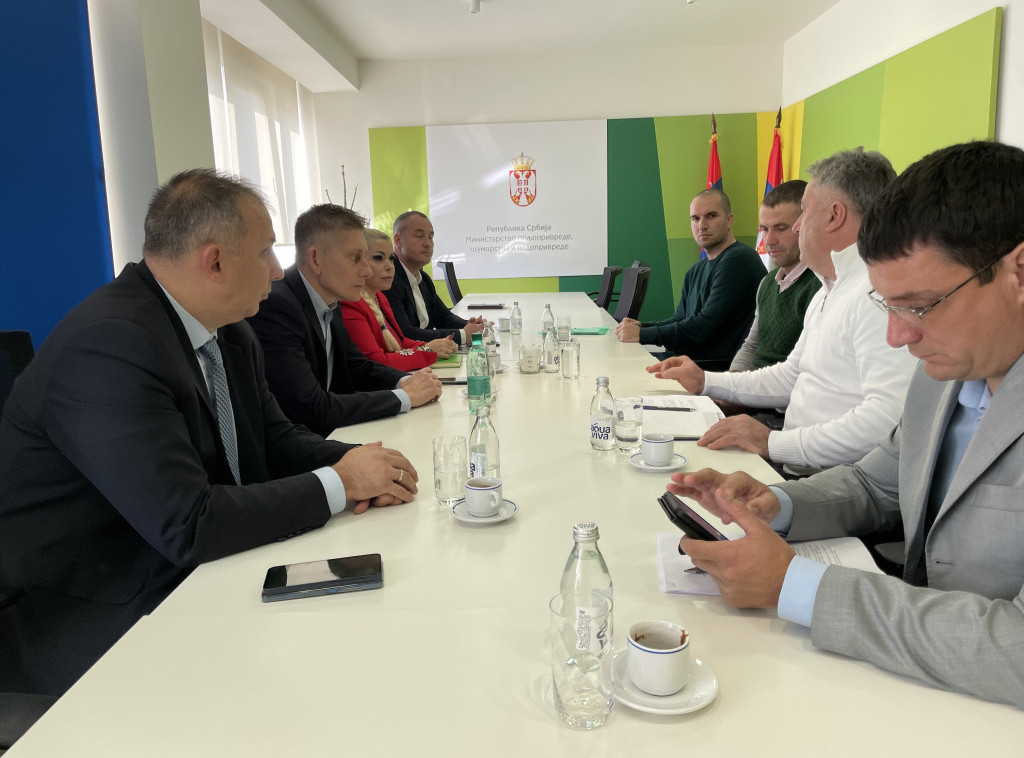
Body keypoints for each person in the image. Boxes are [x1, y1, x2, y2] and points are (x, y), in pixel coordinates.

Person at [0, 170, 418, 696]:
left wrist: (363, 464)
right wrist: (343, 482)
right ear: (215, 261)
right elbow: (189, 523)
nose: (277, 270)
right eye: (265, 252)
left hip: (196, 569)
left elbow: (275, 438)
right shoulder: (110, 345)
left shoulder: (228, 329)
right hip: (94, 606)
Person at [668, 140, 1024, 709]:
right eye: (890, 307)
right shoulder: (945, 375)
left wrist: (798, 587)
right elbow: (876, 484)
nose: (898, 337)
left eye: (921, 305)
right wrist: (776, 503)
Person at [650, 149, 917, 474]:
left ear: (834, 215)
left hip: (827, 479)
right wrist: (705, 380)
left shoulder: (876, 293)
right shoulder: (830, 288)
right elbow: (791, 376)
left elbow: (887, 420)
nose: (798, 226)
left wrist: (773, 443)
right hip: (794, 463)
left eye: (804, 211)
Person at [247, 205, 443, 436]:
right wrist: (404, 397)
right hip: (304, 443)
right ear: (315, 259)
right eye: (355, 258)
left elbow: (356, 365)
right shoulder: (278, 306)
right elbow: (311, 407)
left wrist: (406, 381)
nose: (366, 271)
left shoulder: (331, 297)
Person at [615, 189, 764, 368]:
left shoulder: (738, 260)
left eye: (711, 216)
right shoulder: (696, 269)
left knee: (621, 368)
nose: (702, 225)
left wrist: (642, 335)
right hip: (685, 359)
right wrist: (640, 327)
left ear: (729, 220)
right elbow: (680, 318)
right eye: (695, 218)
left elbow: (705, 327)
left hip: (709, 368)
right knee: (618, 363)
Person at [730, 180, 820, 372]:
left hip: (784, 388)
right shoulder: (767, 283)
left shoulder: (820, 285)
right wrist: (732, 381)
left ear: (805, 225)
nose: (769, 240)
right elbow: (752, 346)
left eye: (781, 228)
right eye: (764, 229)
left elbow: (805, 370)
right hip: (754, 385)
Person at [341, 228, 458, 371]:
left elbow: (400, 341)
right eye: (378, 258)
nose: (389, 266)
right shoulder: (350, 304)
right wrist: (428, 351)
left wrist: (433, 346)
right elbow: (377, 362)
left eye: (391, 258)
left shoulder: (380, 297)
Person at [384, 210, 484, 345]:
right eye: (419, 236)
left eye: (430, 237)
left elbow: (444, 317)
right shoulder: (389, 280)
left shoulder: (423, 279)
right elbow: (405, 334)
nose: (428, 243)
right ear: (398, 240)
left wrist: (471, 326)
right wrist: (462, 335)